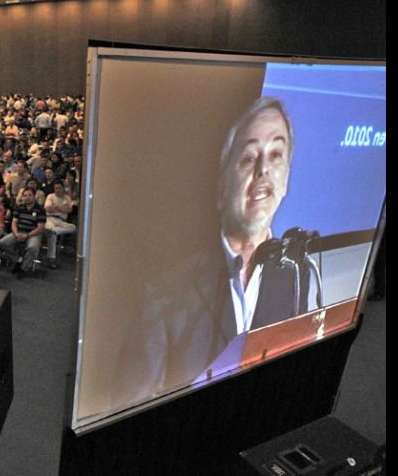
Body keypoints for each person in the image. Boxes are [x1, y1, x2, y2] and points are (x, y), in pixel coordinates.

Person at [111, 97, 320, 409]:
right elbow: (128, 413)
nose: (264, 170)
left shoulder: (302, 273)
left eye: (276, 155)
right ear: (222, 187)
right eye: (249, 158)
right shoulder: (162, 297)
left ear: (287, 177)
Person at [0, 187, 46, 279]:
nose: (27, 197)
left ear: (34, 196)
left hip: (33, 234)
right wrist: (16, 234)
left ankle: (23, 269)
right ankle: (18, 259)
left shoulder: (40, 209)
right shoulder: (19, 207)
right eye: (25, 195)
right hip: (18, 232)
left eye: (30, 195)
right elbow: (14, 223)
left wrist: (27, 235)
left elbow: (40, 228)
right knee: (1, 243)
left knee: (32, 247)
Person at [43, 180, 76, 269]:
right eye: (56, 188)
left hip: (61, 222)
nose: (57, 190)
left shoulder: (67, 197)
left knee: (73, 227)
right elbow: (48, 209)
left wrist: (55, 206)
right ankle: (51, 259)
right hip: (50, 219)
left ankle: (55, 231)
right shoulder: (50, 196)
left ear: (62, 188)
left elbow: (69, 210)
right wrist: (61, 207)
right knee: (51, 233)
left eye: (59, 188)